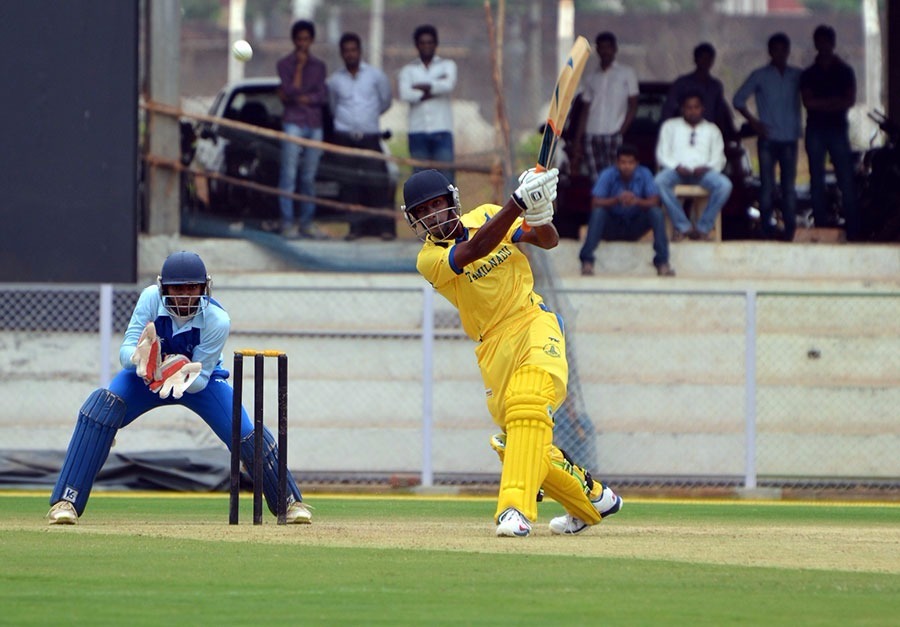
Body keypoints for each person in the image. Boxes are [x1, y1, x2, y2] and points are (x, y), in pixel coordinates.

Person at [401, 167, 622, 537]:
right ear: (415, 220)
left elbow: (547, 241)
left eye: (437, 205)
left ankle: (514, 510)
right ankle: (592, 498)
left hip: (532, 320)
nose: (433, 216)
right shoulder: (429, 260)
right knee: (515, 440)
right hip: (492, 346)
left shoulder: (487, 214)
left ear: (452, 201)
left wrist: (539, 212)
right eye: (423, 212)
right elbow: (473, 250)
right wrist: (518, 202)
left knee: (528, 403)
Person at [47, 251, 312, 525]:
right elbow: (126, 351)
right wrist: (140, 357)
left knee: (243, 431)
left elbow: (201, 377)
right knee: (100, 409)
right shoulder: (150, 298)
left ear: (203, 287)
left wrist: (182, 376)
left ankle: (289, 503)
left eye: (192, 287)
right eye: (178, 288)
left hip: (198, 380)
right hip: (147, 377)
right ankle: (67, 501)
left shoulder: (217, 320)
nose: (185, 295)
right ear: (164, 288)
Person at [733, 33, 803, 241]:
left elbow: (812, 93)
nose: (780, 53)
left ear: (788, 51)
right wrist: (754, 123)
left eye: (784, 49)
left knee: (789, 186)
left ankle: (791, 230)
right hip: (768, 138)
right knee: (767, 186)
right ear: (770, 51)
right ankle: (765, 229)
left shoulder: (797, 75)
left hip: (790, 137)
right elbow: (738, 100)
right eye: (776, 49)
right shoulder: (760, 75)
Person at [327, 32, 395, 241]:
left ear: (360, 51)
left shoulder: (375, 76)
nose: (350, 54)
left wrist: (367, 119)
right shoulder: (334, 81)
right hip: (345, 138)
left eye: (353, 49)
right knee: (349, 184)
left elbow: (385, 101)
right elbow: (332, 107)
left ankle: (384, 228)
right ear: (341, 53)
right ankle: (355, 228)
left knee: (377, 182)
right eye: (346, 50)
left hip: (370, 137)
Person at [800, 24, 859, 240]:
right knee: (817, 181)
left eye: (827, 41)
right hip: (816, 130)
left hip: (837, 130)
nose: (823, 45)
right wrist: (834, 103)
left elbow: (849, 100)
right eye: (820, 41)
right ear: (816, 43)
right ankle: (821, 229)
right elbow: (808, 102)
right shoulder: (809, 73)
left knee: (846, 180)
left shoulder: (844, 71)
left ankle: (854, 232)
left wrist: (822, 103)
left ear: (833, 43)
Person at [579, 144, 674, 277]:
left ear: (636, 163)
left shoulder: (644, 173)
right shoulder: (608, 174)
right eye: (623, 162)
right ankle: (587, 260)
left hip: (635, 225)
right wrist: (616, 200)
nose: (626, 166)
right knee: (598, 212)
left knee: (656, 213)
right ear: (617, 163)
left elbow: (655, 201)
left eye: (630, 163)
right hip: (612, 226)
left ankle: (662, 262)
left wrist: (637, 201)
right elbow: (595, 202)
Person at [655, 91, 733, 241]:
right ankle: (684, 226)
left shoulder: (712, 129)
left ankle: (703, 227)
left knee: (725, 185)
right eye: (688, 107)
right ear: (682, 109)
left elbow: (719, 157)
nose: (692, 111)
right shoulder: (670, 126)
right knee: (659, 182)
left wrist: (706, 167)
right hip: (676, 172)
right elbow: (662, 153)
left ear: (702, 108)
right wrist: (676, 166)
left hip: (703, 174)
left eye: (696, 107)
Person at [276, 19, 329, 239]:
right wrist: (298, 68)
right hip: (293, 122)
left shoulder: (319, 66)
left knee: (308, 177)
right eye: (299, 39)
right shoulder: (285, 64)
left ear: (312, 40)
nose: (303, 43)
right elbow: (288, 92)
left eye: (306, 39)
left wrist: (301, 98)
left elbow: (321, 97)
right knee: (288, 175)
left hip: (314, 124)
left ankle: (306, 223)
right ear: (294, 41)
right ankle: (287, 223)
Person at [571, 31, 639, 179]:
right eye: (601, 48)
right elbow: (585, 109)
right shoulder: (591, 77)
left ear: (615, 49)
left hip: (613, 132)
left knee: (616, 175)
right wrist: (578, 140)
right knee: (595, 177)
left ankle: (613, 202)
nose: (605, 51)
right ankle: (599, 202)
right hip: (592, 133)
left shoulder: (627, 74)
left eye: (608, 47)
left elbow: (633, 105)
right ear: (597, 50)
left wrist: (622, 130)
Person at [397, 24, 457, 183]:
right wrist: (435, 85)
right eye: (423, 43)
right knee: (420, 178)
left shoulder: (447, 65)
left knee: (446, 178)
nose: (426, 46)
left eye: (430, 42)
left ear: (436, 44)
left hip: (442, 130)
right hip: (417, 132)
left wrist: (421, 87)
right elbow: (406, 94)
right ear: (416, 45)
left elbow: (448, 85)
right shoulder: (408, 70)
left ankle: (451, 208)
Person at [662, 43, 737, 141]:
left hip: (709, 136)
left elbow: (720, 113)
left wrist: (725, 134)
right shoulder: (682, 84)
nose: (706, 62)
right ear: (695, 59)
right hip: (684, 135)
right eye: (703, 58)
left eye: (709, 58)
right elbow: (668, 110)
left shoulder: (715, 86)